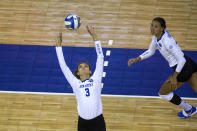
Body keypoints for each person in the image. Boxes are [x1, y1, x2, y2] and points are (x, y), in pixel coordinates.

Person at [128, 17, 197, 119]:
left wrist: (174, 77)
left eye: (156, 27)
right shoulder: (156, 36)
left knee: (163, 93)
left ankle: (189, 109)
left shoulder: (167, 41)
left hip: (182, 67)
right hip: (188, 63)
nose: (152, 28)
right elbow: (151, 51)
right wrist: (137, 58)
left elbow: (181, 60)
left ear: (162, 28)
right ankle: (190, 110)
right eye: (151, 25)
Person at [55, 25, 106, 131]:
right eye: (80, 67)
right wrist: (58, 47)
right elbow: (63, 66)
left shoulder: (96, 78)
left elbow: (100, 57)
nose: (83, 68)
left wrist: (94, 35)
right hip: (83, 123)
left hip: (98, 122)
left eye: (86, 66)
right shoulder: (75, 82)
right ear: (78, 73)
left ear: (90, 71)